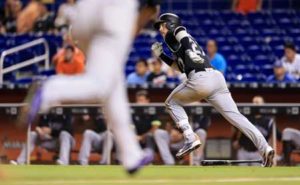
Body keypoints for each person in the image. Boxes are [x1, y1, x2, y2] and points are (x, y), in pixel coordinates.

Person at [18, 0, 158, 174]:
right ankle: (50, 89)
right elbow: (151, 6)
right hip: (115, 10)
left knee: (113, 82)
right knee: (101, 84)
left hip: (83, 12)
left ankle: (131, 154)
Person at [151, 13, 274, 167]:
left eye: (162, 25)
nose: (160, 29)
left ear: (170, 24)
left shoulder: (177, 32)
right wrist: (162, 55)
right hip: (216, 79)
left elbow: (183, 35)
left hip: (201, 78)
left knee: (171, 103)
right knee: (237, 118)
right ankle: (265, 149)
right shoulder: (176, 45)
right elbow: (180, 68)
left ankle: (189, 137)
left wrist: (187, 47)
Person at [232, 96, 281, 166]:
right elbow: (236, 129)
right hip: (243, 151)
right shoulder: (246, 117)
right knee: (241, 173)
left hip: (258, 153)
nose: (255, 104)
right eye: (253, 102)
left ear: (263, 104)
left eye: (257, 102)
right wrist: (235, 140)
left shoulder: (268, 120)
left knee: (257, 174)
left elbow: (277, 136)